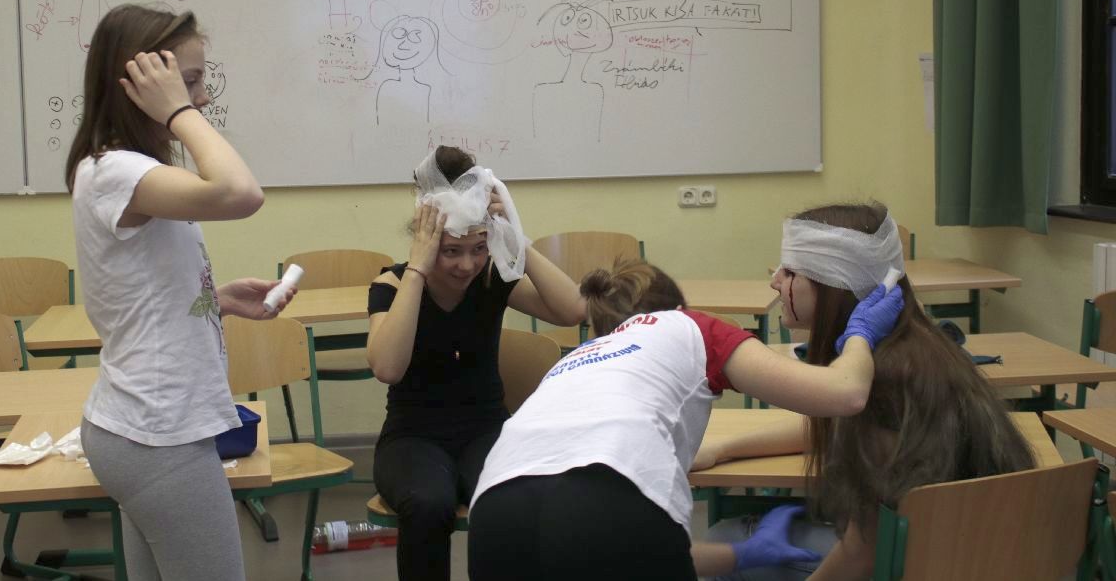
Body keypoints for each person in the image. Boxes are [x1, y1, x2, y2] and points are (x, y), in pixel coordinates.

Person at [465, 252, 907, 581]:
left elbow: (611, 543)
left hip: (495, 513)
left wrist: (741, 555)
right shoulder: (687, 324)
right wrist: (861, 336)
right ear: (678, 306)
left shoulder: (579, 358)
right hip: (608, 499)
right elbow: (845, 393)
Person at [66, 4, 292, 581]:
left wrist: (218, 300)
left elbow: (140, 287)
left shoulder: (128, 171)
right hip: (157, 432)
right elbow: (240, 193)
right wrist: (178, 111)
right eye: (188, 81)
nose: (202, 97)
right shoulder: (115, 171)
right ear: (139, 85)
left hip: (143, 425)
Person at [696, 202, 1036, 580]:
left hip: (924, 564)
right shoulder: (914, 345)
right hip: (969, 551)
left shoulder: (884, 381)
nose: (775, 281)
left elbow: (863, 553)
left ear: (834, 288)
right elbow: (829, 426)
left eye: (790, 271)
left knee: (724, 540)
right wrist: (724, 449)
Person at [366, 145, 589, 581]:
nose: (466, 265)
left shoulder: (492, 277)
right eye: (450, 251)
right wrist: (417, 270)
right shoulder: (393, 283)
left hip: (486, 428)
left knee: (510, 498)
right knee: (427, 503)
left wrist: (514, 235)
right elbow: (388, 369)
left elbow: (574, 310)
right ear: (425, 239)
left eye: (479, 248)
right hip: (412, 436)